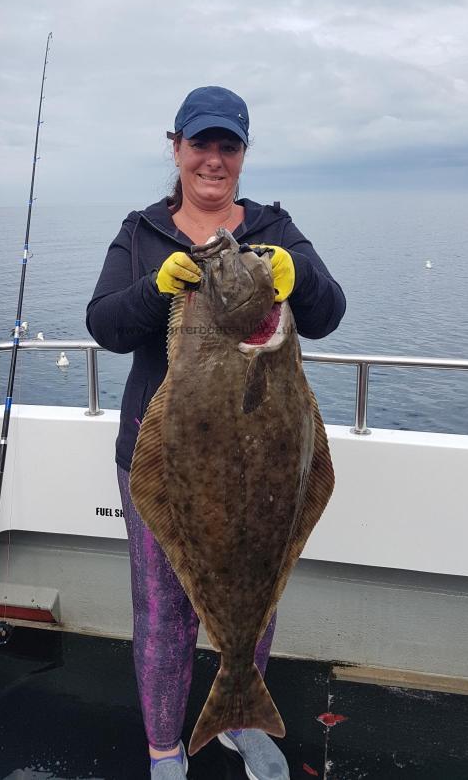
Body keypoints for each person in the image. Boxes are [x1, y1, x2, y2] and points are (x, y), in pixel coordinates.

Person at [86, 86, 346, 780]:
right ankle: (164, 745)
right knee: (164, 613)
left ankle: (238, 714)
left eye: (227, 145)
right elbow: (105, 325)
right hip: (169, 455)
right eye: (200, 143)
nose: (213, 159)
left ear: (242, 154)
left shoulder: (272, 226)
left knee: (255, 601)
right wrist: (154, 288)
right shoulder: (143, 232)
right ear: (175, 147)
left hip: (265, 460)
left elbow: (327, 312)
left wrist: (298, 280)